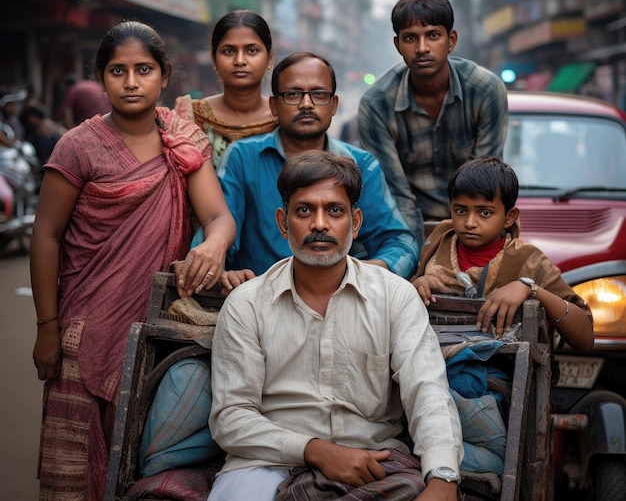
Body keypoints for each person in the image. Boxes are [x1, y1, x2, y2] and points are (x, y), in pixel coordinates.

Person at [30, 20, 237, 500]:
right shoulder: (78, 146)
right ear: (101, 78)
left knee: (139, 452)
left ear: (164, 76)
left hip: (153, 324)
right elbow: (46, 235)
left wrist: (212, 243)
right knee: (74, 466)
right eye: (117, 70)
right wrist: (47, 326)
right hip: (82, 328)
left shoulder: (183, 141)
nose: (130, 81)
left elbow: (219, 216)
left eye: (143, 69)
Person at [208, 151, 463, 501]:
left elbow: (428, 392)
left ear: (355, 223)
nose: (319, 224)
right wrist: (315, 450)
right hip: (267, 462)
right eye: (304, 211)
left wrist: (443, 477)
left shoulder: (394, 297)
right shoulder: (247, 304)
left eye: (335, 211)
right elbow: (231, 417)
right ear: (283, 223)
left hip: (371, 463)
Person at [212, 51, 419, 292]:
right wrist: (226, 271)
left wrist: (364, 275)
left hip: (340, 300)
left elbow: (400, 244)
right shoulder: (243, 158)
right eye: (293, 94)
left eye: (319, 94)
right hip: (258, 298)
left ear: (334, 105)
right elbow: (220, 231)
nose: (306, 104)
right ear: (274, 105)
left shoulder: (361, 165)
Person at [358, 0, 509, 245]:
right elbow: (396, 194)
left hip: (475, 224)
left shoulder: (485, 90)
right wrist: (414, 260)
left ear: (451, 41)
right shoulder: (376, 104)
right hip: (405, 227)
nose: (422, 48)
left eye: (433, 35)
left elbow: (485, 183)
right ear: (398, 45)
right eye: (410, 38)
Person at [411, 155, 593, 351]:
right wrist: (417, 287)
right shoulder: (437, 244)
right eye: (461, 211)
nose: (470, 222)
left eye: (485, 213)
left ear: (509, 217)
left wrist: (531, 290)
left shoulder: (527, 261)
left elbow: (585, 340)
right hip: (430, 356)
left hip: (498, 371)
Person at [174, 9, 278, 168]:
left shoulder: (284, 116)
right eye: (229, 51)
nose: (240, 60)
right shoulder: (190, 116)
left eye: (251, 50)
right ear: (213, 59)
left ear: (269, 58)